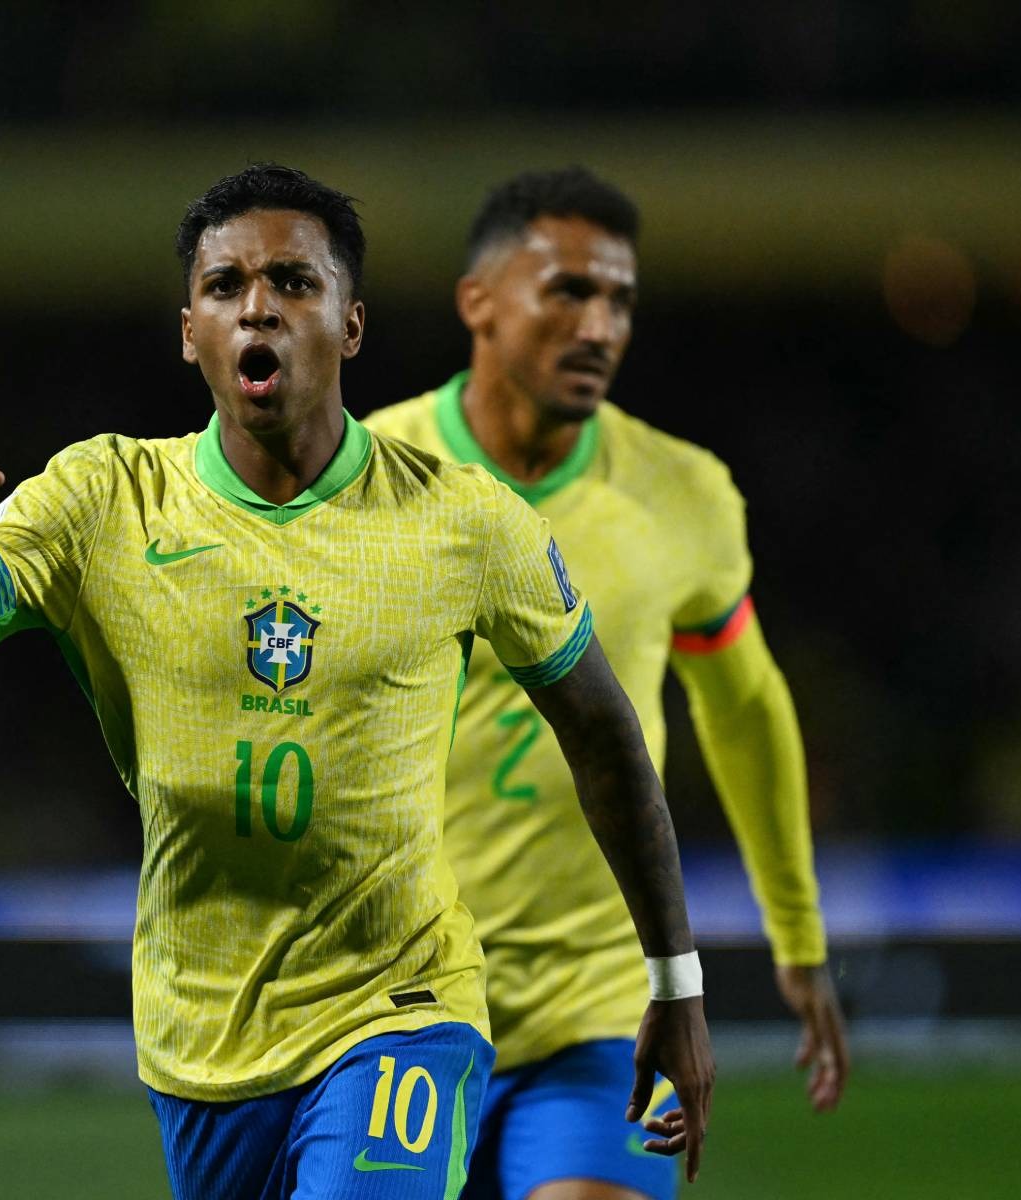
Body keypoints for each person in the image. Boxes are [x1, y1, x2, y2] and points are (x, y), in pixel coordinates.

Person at [0, 163, 714, 1200]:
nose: (257, 305)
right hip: (202, 1036)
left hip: (401, 1005)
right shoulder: (103, 500)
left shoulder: (465, 524)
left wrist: (674, 978)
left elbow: (605, 736)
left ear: (350, 325)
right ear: (189, 332)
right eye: (225, 287)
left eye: (294, 283)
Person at [365, 167, 848, 1200]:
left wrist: (796, 936)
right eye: (570, 291)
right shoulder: (365, 475)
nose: (601, 325)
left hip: (602, 1012)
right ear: (477, 303)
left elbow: (745, 708)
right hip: (386, 1012)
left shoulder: (683, 493)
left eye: (620, 300)